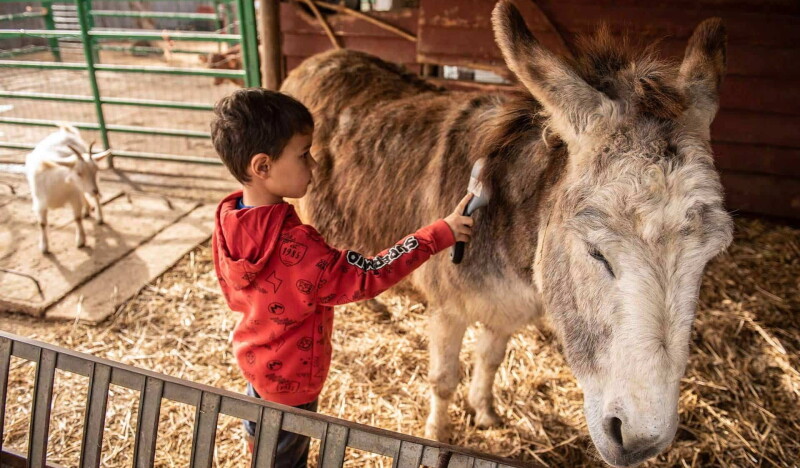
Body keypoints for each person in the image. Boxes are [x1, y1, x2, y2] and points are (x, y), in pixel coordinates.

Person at [210, 88, 474, 466]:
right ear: (262, 167)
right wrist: (437, 234)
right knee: (285, 455)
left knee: (262, 432)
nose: (314, 165)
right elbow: (368, 276)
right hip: (293, 383)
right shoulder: (297, 248)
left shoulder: (228, 216)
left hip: (255, 361)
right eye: (303, 155)